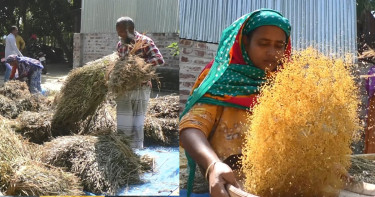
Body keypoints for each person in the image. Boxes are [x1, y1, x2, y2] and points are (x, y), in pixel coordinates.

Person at [179, 9, 292, 197]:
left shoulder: (284, 83)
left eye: (279, 46)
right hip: (229, 182)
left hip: (276, 182)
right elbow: (192, 127)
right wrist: (213, 165)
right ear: (245, 42)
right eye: (263, 43)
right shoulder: (219, 77)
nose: (272, 52)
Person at [115, 16, 164, 149]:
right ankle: (124, 149)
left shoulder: (145, 41)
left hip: (141, 87)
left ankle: (136, 150)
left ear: (130, 29)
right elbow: (119, 62)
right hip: (124, 88)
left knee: (137, 121)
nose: (119, 35)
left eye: (122, 32)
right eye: (118, 32)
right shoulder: (120, 44)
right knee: (123, 120)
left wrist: (138, 66)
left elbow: (159, 59)